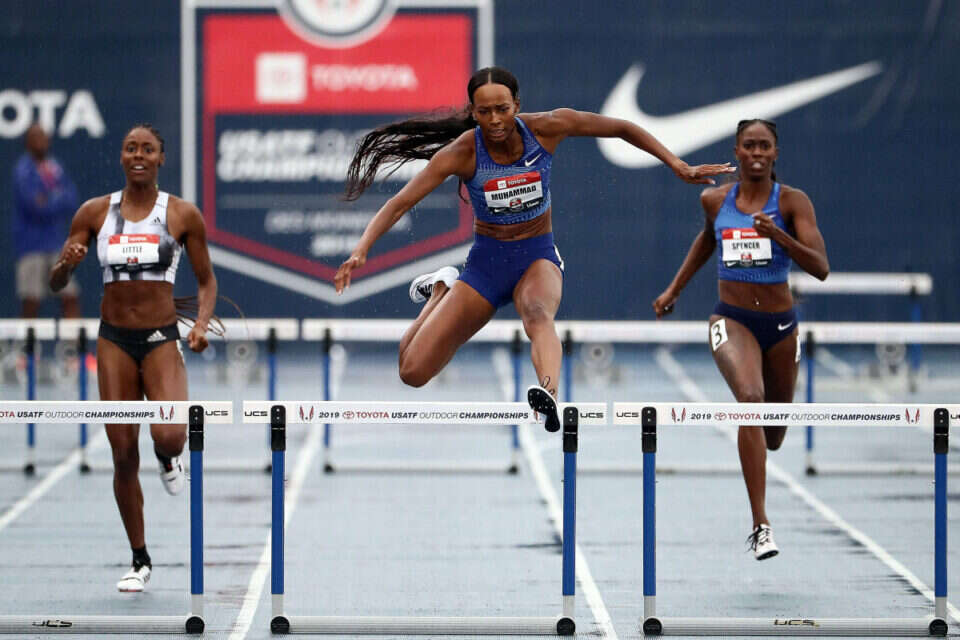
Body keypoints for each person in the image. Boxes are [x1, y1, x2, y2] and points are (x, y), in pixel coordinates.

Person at [335, 66, 734, 430]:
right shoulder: (462, 152)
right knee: (412, 372)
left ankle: (549, 395)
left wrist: (677, 165)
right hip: (486, 267)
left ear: (517, 105)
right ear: (473, 112)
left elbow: (621, 128)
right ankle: (442, 288)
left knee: (538, 314)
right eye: (485, 112)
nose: (495, 120)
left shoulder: (546, 128)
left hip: (536, 257)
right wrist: (361, 249)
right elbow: (399, 202)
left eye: (502, 110)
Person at [49, 124, 218, 592]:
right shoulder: (94, 213)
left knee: (172, 435)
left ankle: (167, 458)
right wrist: (66, 263)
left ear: (161, 158)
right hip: (114, 341)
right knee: (123, 453)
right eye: (130, 148)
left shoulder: (181, 214)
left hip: (161, 338)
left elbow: (206, 282)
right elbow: (56, 283)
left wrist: (200, 325)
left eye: (147, 149)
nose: (138, 155)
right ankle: (139, 558)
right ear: (121, 157)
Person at [652, 119, 829, 560]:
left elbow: (821, 268)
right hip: (731, 320)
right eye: (749, 145)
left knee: (774, 435)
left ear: (775, 153)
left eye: (764, 146)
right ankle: (761, 525)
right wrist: (674, 289)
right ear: (737, 150)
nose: (756, 153)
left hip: (781, 327)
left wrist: (779, 236)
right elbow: (706, 241)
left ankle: (762, 475)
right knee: (750, 399)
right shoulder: (715, 200)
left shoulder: (791, 202)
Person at [13, 123, 81, 318]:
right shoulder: (23, 170)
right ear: (28, 143)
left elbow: (71, 199)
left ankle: (73, 339)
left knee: (70, 296)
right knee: (31, 301)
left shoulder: (55, 167)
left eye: (44, 137)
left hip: (56, 244)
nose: (41, 142)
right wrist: (57, 197)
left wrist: (48, 199)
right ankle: (27, 340)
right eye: (36, 138)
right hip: (31, 246)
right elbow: (35, 207)